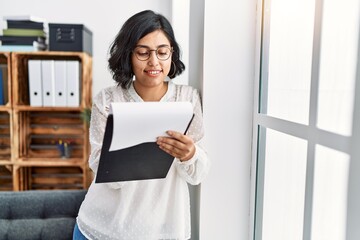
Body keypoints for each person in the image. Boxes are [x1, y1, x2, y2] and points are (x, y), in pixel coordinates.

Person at [73, 9, 210, 240]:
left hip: (163, 230)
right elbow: (97, 165)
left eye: (162, 52)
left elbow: (197, 175)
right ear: (128, 55)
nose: (154, 61)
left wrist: (190, 154)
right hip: (101, 227)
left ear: (172, 54)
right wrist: (122, 156)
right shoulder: (108, 100)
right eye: (143, 53)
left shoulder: (187, 99)